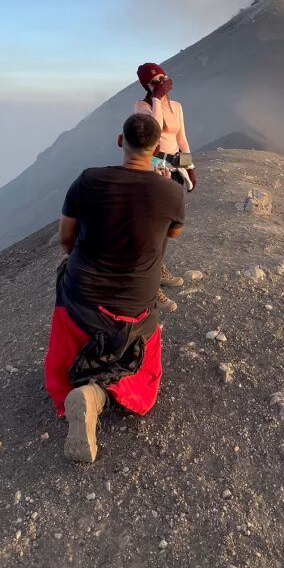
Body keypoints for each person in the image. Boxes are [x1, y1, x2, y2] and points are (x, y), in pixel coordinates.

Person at [44, 113, 185, 463]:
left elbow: (66, 239)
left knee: (67, 275)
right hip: (135, 310)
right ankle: (98, 395)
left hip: (81, 305)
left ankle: (82, 386)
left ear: (120, 141)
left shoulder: (87, 181)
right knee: (143, 380)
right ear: (155, 149)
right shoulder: (170, 192)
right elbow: (173, 233)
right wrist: (160, 187)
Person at [135, 62, 196, 313]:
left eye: (163, 78)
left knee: (169, 225)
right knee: (153, 227)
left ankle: (158, 270)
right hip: (153, 168)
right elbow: (154, 131)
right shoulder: (142, 106)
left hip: (173, 168)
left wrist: (189, 165)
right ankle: (150, 285)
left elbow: (181, 137)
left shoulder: (178, 106)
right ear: (146, 86)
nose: (160, 83)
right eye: (154, 82)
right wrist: (157, 99)